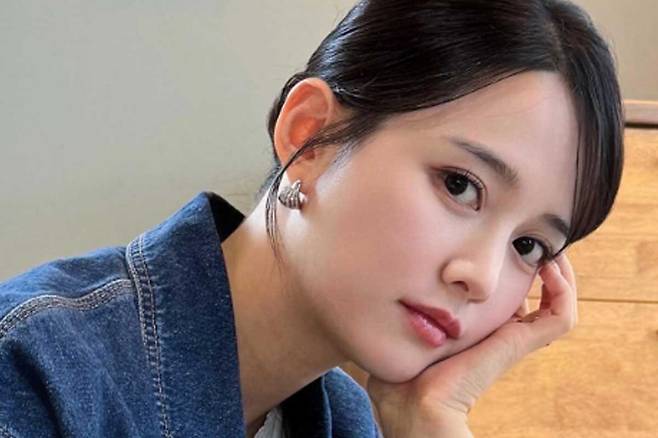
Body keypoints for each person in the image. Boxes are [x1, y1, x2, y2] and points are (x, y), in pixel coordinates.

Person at [0, 0, 624, 436]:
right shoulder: (36, 370)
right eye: (460, 186)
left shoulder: (354, 422)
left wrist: (433, 424)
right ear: (312, 136)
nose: (482, 278)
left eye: (529, 246)